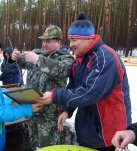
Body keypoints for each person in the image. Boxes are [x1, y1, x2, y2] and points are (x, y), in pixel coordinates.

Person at [38, 12, 132, 151]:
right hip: (89, 128)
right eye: (70, 40)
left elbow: (90, 92)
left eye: (74, 39)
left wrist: (55, 96)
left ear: (88, 38)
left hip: (109, 133)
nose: (70, 45)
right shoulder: (81, 58)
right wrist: (67, 110)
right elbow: (75, 85)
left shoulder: (104, 57)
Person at [10, 25, 74, 149]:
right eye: (43, 41)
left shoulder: (66, 58)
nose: (44, 44)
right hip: (32, 110)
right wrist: (14, 58)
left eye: (48, 41)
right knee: (32, 144)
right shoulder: (37, 53)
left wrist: (38, 60)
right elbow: (22, 61)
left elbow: (61, 70)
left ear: (58, 42)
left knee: (48, 147)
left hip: (49, 115)